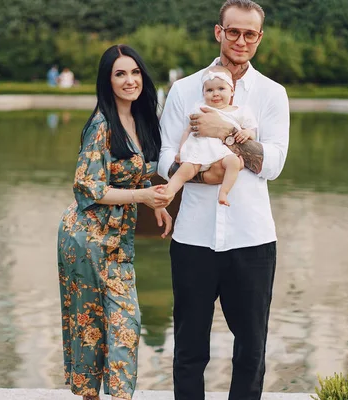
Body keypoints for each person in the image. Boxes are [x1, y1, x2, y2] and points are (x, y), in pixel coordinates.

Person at [158, 0, 290, 399]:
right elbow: (165, 157)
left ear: (260, 38)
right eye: (233, 31)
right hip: (193, 239)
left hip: (252, 240)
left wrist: (226, 133)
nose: (241, 40)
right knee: (188, 349)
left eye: (250, 34)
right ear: (219, 32)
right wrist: (206, 174)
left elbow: (273, 164)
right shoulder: (184, 90)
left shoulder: (272, 93)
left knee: (251, 350)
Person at [57, 44, 174, 400]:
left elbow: (135, 172)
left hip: (117, 242)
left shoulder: (140, 120)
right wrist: (142, 197)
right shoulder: (101, 124)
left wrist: (155, 202)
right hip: (85, 239)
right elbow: (86, 187)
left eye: (135, 72)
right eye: (120, 74)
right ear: (107, 82)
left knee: (126, 323)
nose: (129, 80)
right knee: (89, 327)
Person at [164, 65, 257, 206]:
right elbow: (188, 130)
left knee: (234, 162)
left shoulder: (239, 112)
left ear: (232, 91)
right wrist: (181, 150)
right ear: (203, 93)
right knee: (185, 170)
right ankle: (168, 192)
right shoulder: (201, 109)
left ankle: (224, 192)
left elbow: (253, 131)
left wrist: (247, 133)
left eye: (221, 89)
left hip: (222, 152)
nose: (215, 93)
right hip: (199, 149)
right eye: (209, 90)